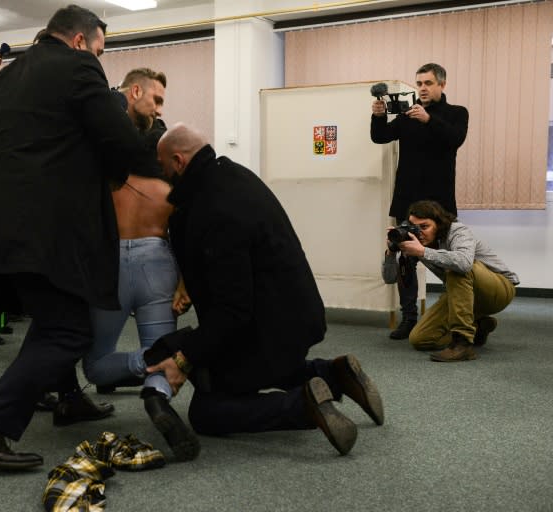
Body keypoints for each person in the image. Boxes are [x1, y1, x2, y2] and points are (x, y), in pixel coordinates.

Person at [0, 5, 150, 470]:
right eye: (99, 47)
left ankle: (68, 397)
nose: (100, 56)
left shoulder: (5, 77)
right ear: (80, 41)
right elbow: (117, 138)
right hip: (39, 226)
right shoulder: (79, 65)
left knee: (54, 312)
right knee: (68, 329)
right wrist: (147, 173)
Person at [141, 124, 385, 457]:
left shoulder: (211, 209)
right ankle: (334, 375)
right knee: (230, 363)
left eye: (163, 165)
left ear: (179, 161)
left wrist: (183, 360)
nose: (161, 174)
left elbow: (233, 311)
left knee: (208, 409)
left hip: (266, 328)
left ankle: (302, 405)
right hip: (294, 317)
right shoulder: (233, 177)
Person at [82, 68, 198, 460]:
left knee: (96, 366)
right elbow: (186, 239)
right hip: (158, 263)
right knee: (160, 347)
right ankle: (157, 393)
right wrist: (185, 281)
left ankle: (142, 365)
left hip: (111, 265)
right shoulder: (170, 188)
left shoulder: (109, 182)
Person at [371, 63, 469, 340]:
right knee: (405, 261)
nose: (422, 88)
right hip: (407, 201)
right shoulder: (406, 114)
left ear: (442, 85)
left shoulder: (456, 114)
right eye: (419, 83)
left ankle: (458, 315)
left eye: (428, 83)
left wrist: (428, 120)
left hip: (440, 205)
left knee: (450, 261)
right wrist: (378, 117)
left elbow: (455, 139)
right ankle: (409, 318)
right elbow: (380, 137)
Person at [382, 200, 518, 362]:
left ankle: (463, 342)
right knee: (420, 339)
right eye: (414, 227)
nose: (419, 233)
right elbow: (389, 279)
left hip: (498, 290)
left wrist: (423, 252)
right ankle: (478, 326)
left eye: (424, 227)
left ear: (439, 225)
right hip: (462, 294)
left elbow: (464, 263)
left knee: (456, 269)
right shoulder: (416, 242)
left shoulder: (457, 231)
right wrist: (390, 253)